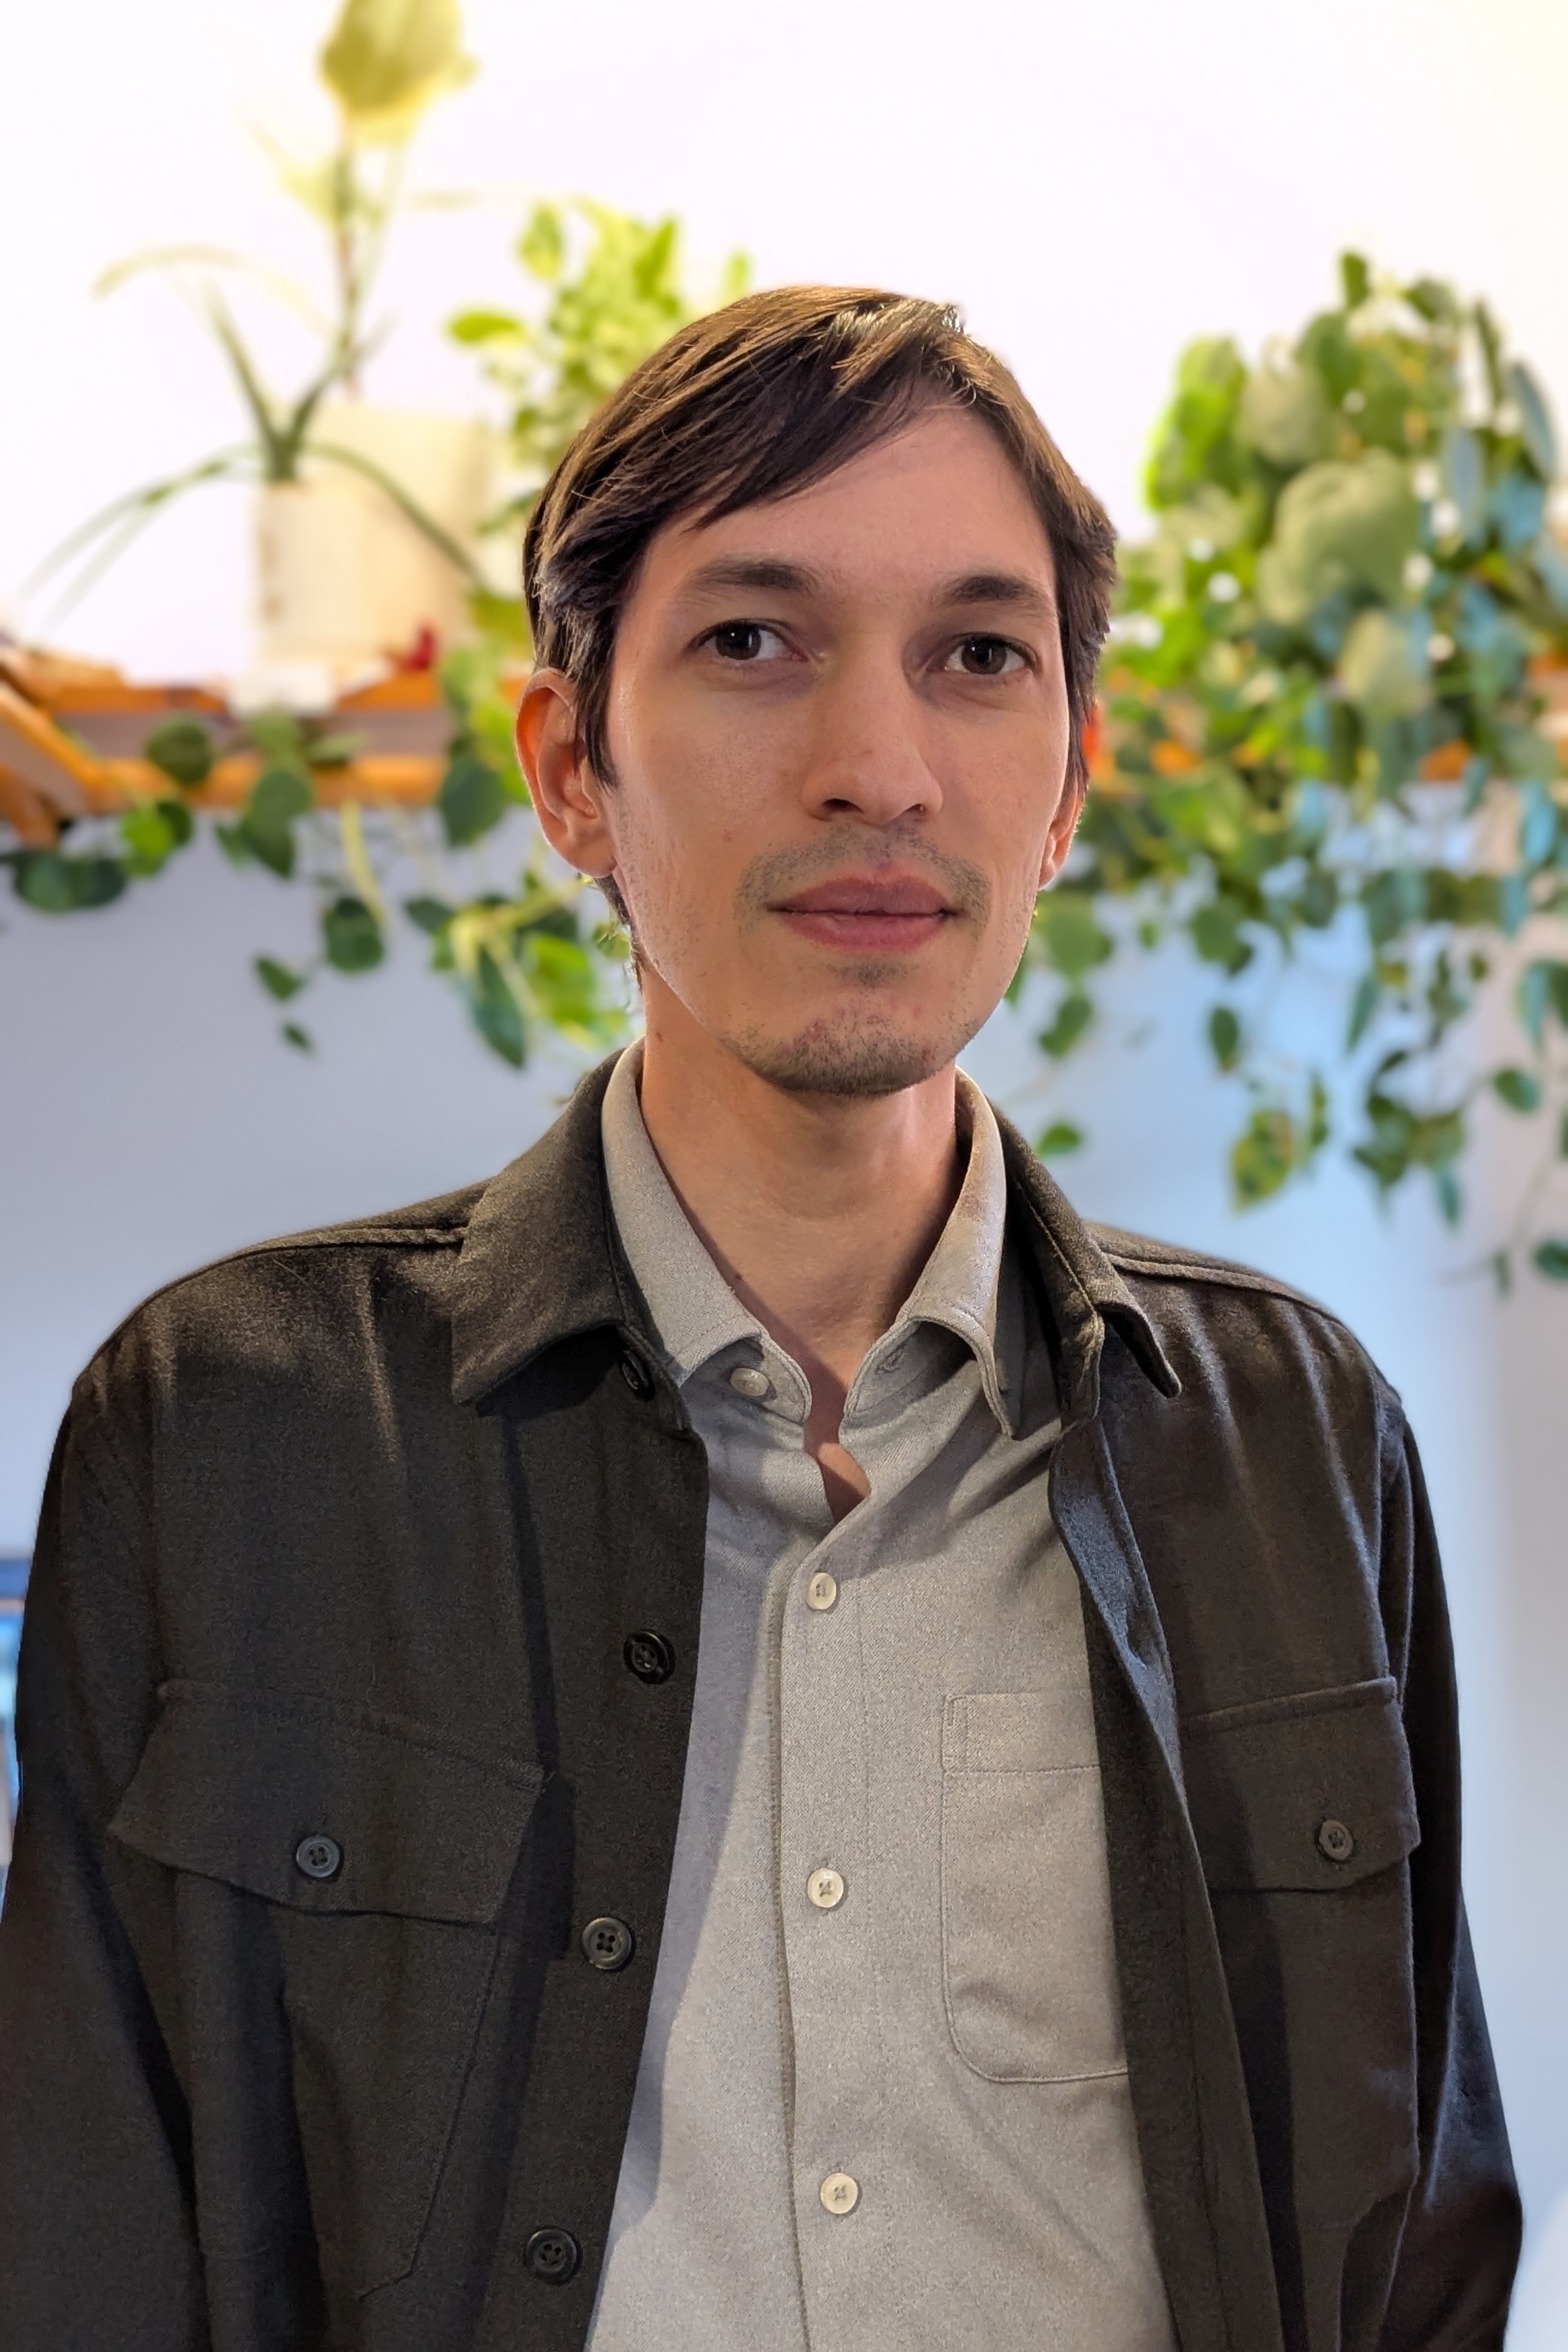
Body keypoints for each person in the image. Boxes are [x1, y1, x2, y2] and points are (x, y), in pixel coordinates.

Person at [0, 288, 1519, 2352]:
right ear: (572, 769)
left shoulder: (1297, 1438)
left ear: (1066, 787)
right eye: (750, 641)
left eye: (978, 656)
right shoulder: (227, 1434)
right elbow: (87, 2247)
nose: (877, 767)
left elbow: (1421, 2256)